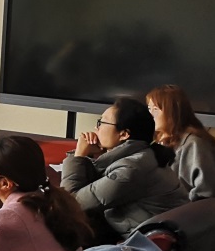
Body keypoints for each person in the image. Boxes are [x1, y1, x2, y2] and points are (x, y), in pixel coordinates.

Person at [61, 95, 187, 240]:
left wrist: (79, 155)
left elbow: (70, 204)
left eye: (101, 122)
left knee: (62, 223)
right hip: (140, 231)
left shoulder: (131, 169)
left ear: (124, 134)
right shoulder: (143, 155)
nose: (96, 128)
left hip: (142, 243)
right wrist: (91, 156)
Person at [147, 84, 215, 199]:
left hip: (183, 207)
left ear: (172, 113)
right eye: (149, 109)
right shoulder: (157, 138)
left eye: (155, 110)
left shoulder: (194, 144)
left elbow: (208, 191)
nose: (150, 115)